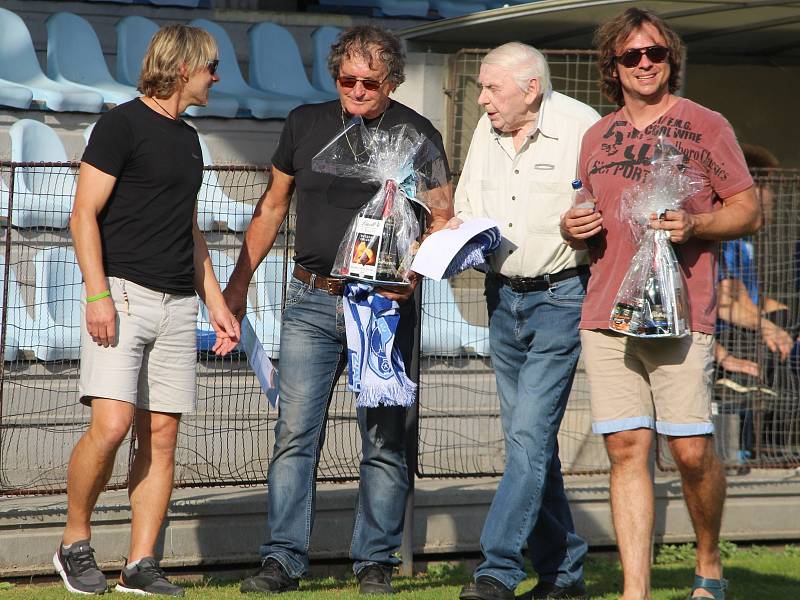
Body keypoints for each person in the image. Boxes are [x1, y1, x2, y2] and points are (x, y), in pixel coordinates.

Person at [227, 25, 453, 595]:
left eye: (369, 82)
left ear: (392, 81)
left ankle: (374, 560)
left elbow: (444, 219)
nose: (355, 89)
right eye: (346, 78)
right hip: (311, 298)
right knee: (294, 435)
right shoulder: (305, 123)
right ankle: (282, 559)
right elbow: (272, 204)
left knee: (383, 438)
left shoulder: (418, 133)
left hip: (383, 307)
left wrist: (413, 275)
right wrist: (236, 285)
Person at [560, 8, 760, 600]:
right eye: (631, 56)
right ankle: (635, 591)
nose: (645, 64)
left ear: (671, 60)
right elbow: (583, 209)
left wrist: (696, 222)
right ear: (613, 67)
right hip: (607, 314)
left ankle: (708, 560)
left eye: (656, 54)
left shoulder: (707, 124)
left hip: (682, 311)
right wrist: (573, 226)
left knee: (691, 451)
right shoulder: (596, 137)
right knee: (626, 447)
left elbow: (747, 208)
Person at [54, 25, 240, 597]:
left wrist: (215, 303)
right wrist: (97, 294)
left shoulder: (190, 140)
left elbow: (189, 229)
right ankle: (74, 543)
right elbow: (83, 214)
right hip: (123, 295)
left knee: (160, 436)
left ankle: (141, 564)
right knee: (110, 426)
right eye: (211, 65)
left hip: (178, 304)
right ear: (184, 66)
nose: (216, 75)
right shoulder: (119, 124)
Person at [453, 42, 599, 600]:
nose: (483, 100)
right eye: (482, 89)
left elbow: (607, 214)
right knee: (530, 445)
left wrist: (585, 224)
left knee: (528, 437)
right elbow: (468, 205)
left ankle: (497, 569)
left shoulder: (583, 129)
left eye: (492, 88)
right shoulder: (486, 132)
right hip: (501, 299)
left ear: (530, 88)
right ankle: (565, 574)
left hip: (561, 298)